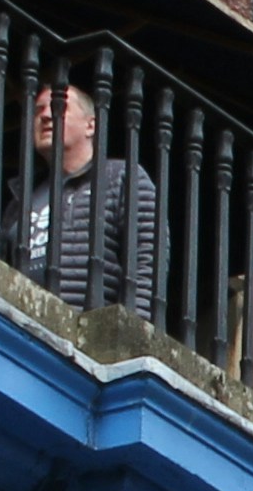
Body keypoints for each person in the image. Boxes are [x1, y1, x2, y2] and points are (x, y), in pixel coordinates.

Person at [17, 74, 166, 313]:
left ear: (90, 125)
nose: (44, 116)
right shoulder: (21, 197)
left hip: (82, 325)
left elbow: (147, 258)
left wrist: (132, 328)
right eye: (38, 110)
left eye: (58, 107)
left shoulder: (120, 178)